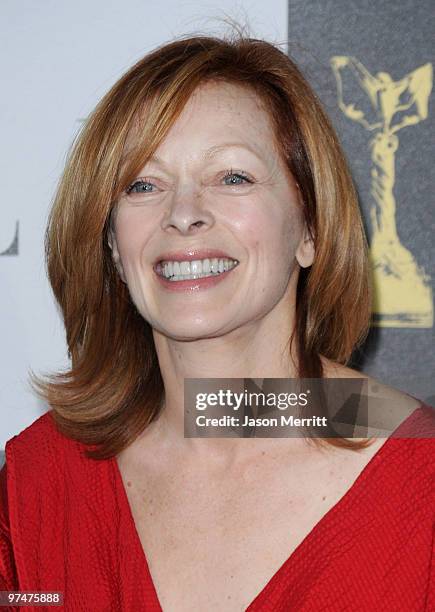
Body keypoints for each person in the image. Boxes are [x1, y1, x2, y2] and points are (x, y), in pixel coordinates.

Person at [0, 31, 434, 612]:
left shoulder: (421, 478)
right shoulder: (41, 483)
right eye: (143, 184)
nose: (183, 214)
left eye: (233, 177)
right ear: (110, 243)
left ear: (309, 227)